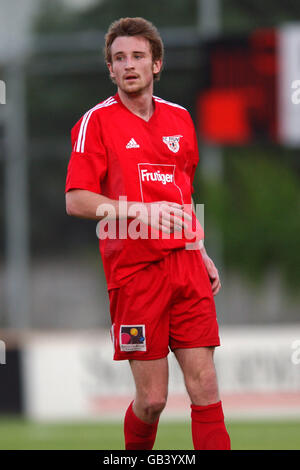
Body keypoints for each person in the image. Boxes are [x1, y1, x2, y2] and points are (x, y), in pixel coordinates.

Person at [65, 17, 230, 451]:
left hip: (186, 265)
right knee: (153, 399)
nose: (129, 65)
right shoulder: (94, 123)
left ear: (156, 64)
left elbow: (183, 194)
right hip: (135, 273)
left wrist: (201, 248)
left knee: (206, 385)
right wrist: (138, 210)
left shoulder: (181, 119)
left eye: (138, 56)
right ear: (111, 69)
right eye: (119, 58)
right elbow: (77, 199)